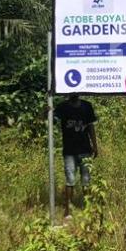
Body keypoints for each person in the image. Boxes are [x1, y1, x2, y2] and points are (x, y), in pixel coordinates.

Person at [53, 92, 98, 220]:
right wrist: (46, 112)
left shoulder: (87, 106)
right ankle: (68, 210)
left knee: (86, 181)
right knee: (70, 181)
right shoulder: (63, 107)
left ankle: (88, 209)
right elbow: (51, 119)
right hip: (69, 151)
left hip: (85, 149)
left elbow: (91, 127)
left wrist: (95, 145)